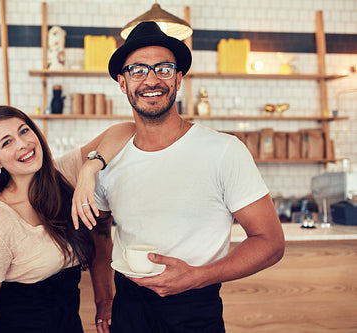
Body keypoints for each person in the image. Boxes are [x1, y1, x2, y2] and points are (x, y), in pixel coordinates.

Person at [74, 21, 285, 333]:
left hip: (195, 310)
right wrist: (104, 298)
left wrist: (198, 276)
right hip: (128, 310)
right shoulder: (110, 156)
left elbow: (271, 242)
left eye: (163, 68)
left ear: (178, 78)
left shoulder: (224, 150)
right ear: (122, 82)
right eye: (138, 70)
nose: (151, 79)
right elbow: (100, 232)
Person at [0, 105, 134, 332]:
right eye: (7, 142)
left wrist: (89, 169)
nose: (23, 144)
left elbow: (127, 129)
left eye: (24, 131)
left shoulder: (63, 173)